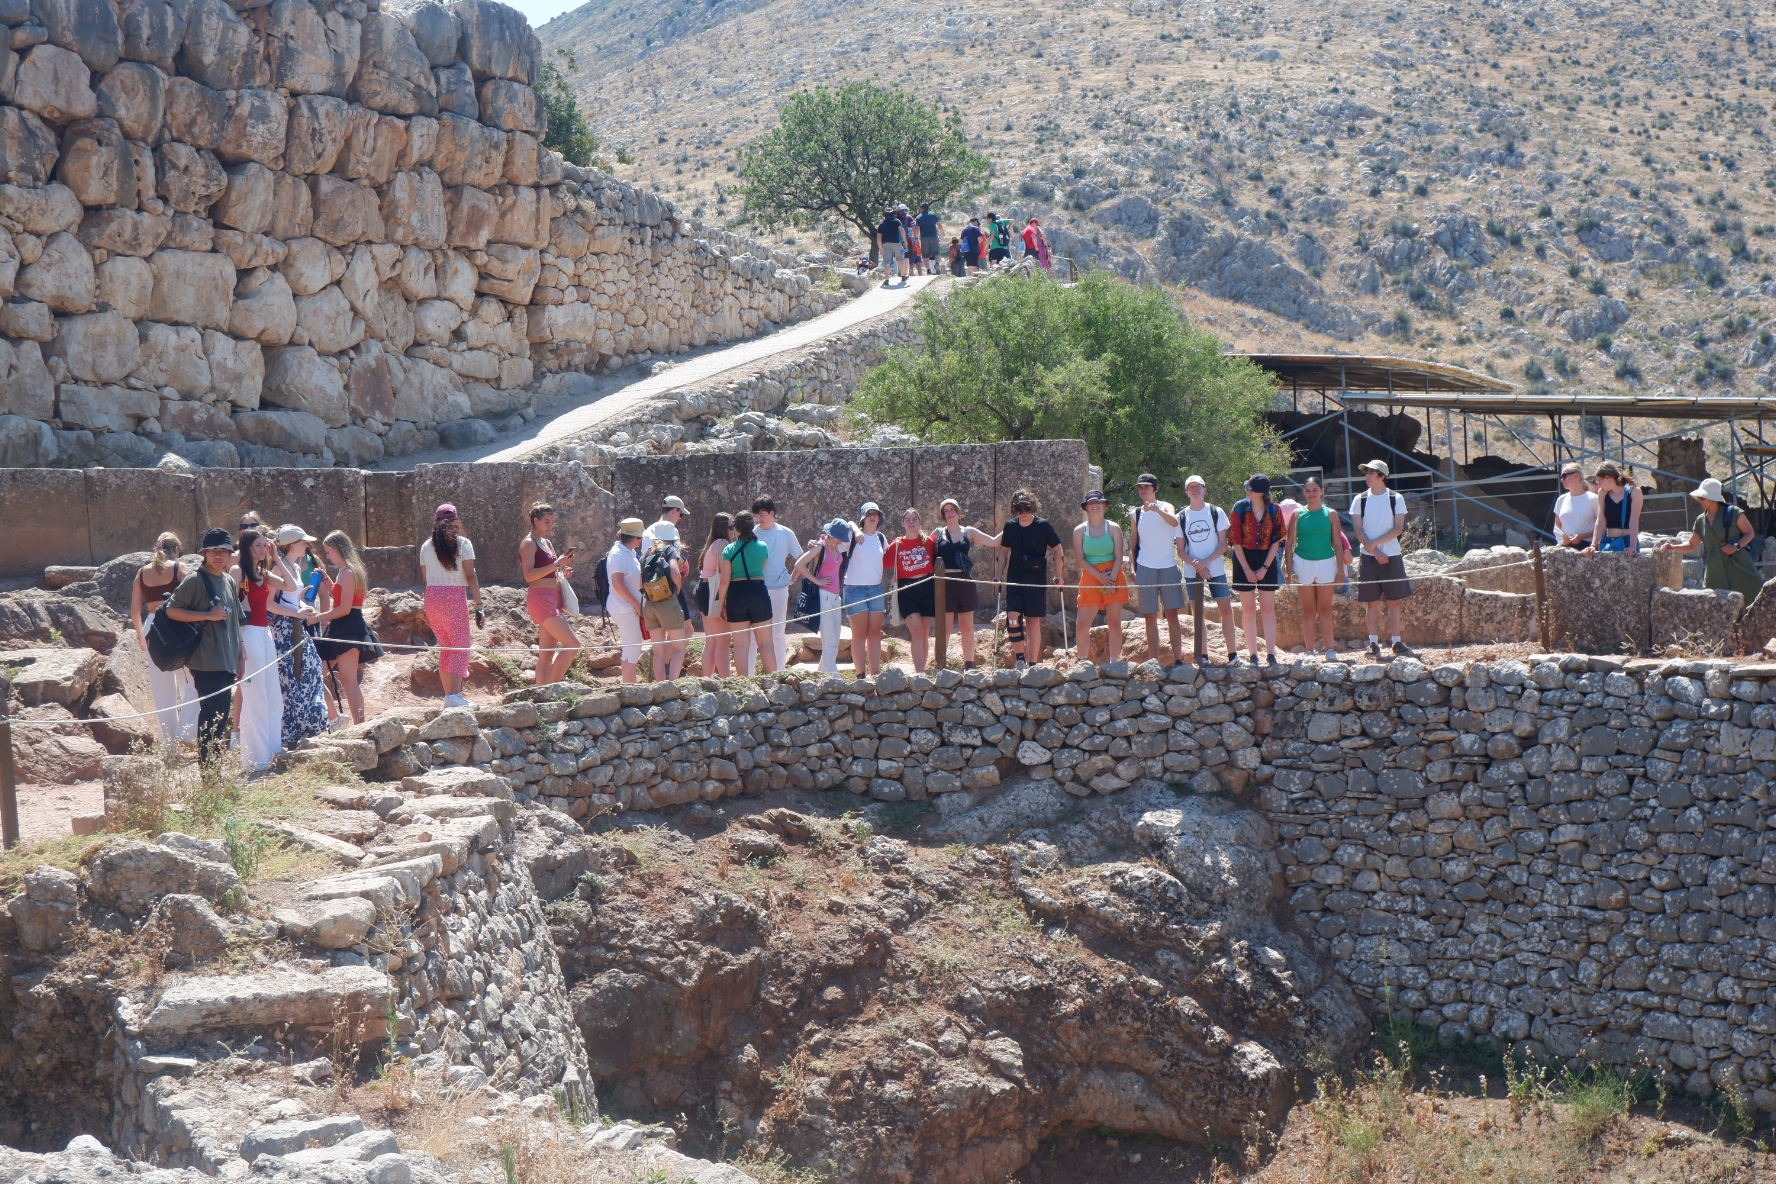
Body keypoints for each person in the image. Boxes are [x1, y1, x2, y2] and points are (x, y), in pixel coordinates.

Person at [164, 528, 244, 771]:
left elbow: (235, 623)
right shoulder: (196, 580)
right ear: (204, 554)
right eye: (213, 551)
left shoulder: (229, 580)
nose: (218, 556)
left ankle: (215, 770)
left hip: (227, 659)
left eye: (223, 551)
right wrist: (207, 615)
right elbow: (171, 610)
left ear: (230, 554)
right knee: (211, 717)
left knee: (221, 718)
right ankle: (209, 775)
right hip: (206, 661)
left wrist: (241, 654)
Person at [130, 531, 198, 743]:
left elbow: (134, 610)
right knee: (191, 680)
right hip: (178, 625)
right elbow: (195, 598)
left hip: (153, 626)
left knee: (162, 687)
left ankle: (170, 743)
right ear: (177, 550)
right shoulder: (179, 569)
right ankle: (187, 732)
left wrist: (142, 637)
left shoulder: (142, 573)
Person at [269, 524, 332, 743]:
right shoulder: (278, 568)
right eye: (303, 541)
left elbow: (288, 600)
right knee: (293, 678)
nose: (307, 544)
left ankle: (308, 727)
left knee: (310, 673)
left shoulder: (294, 567)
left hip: (296, 626)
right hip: (285, 630)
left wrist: (304, 601)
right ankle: (295, 731)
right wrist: (297, 612)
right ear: (291, 545)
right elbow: (270, 604)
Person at [232, 529, 286, 771]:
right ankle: (255, 758)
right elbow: (232, 610)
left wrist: (278, 557)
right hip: (249, 633)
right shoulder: (238, 571)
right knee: (255, 698)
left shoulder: (264, 572)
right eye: (259, 545)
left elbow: (292, 585)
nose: (264, 549)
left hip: (265, 634)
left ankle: (272, 749)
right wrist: (239, 643)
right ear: (248, 548)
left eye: (266, 545)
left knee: (272, 695)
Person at [419, 504, 482, 708]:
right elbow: (470, 575)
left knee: (446, 646)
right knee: (460, 645)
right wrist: (479, 604)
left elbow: (425, 578)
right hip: (454, 596)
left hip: (432, 597)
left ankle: (450, 697)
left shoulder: (426, 546)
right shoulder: (463, 544)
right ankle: (454, 696)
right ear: (456, 521)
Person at [1350, 460, 1414, 658]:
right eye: (1366, 472)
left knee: (1394, 601)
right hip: (1368, 557)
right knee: (1372, 602)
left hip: (1392, 555)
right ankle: (1373, 643)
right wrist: (1375, 551)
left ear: (1382, 476)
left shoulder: (1396, 498)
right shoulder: (1359, 499)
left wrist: (1375, 545)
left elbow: (1398, 528)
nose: (1367, 476)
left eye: (1372, 473)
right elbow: (1358, 529)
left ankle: (1396, 642)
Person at [1661, 477, 1762, 601]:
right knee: (1715, 606)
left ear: (1713, 499)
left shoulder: (1733, 513)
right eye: (1699, 497)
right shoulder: (1700, 521)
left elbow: (1749, 533)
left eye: (1702, 497)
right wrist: (1674, 548)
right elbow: (1692, 545)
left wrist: (1735, 546)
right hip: (1715, 570)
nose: (1699, 500)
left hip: (1739, 566)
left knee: (1752, 601)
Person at [1286, 476, 1349, 661]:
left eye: (1315, 490)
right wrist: (1289, 571)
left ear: (1322, 491)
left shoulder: (1331, 514)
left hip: (1326, 563)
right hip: (1303, 562)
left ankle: (1330, 649)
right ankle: (1310, 651)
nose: (1311, 493)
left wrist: (1340, 571)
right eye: (1308, 490)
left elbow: (1338, 544)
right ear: (1304, 492)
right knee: (1307, 610)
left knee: (1325, 609)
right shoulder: (1297, 514)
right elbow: (1289, 544)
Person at [1000, 489, 1064, 669]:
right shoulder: (1010, 526)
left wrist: (1059, 574)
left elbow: (1058, 549)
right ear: (1015, 511)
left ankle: (1033, 664)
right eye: (1020, 511)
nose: (1025, 514)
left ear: (1033, 508)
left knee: (1033, 621)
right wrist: (998, 574)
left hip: (1035, 580)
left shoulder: (1043, 526)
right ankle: (1020, 658)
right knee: (1013, 619)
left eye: (1027, 510)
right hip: (1014, 580)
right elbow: (1004, 551)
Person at [314, 529, 372, 723]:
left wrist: (319, 617)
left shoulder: (348, 572)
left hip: (348, 626)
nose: (327, 555)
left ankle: (360, 724)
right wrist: (328, 583)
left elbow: (345, 609)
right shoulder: (344, 571)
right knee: (319, 672)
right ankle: (340, 719)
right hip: (342, 626)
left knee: (349, 680)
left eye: (329, 551)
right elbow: (340, 599)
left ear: (338, 549)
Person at [1129, 473, 1187, 666]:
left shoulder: (1166, 506)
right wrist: (1132, 567)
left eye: (1146, 487)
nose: (1143, 490)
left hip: (1168, 566)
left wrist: (1157, 511)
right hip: (1145, 567)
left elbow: (1174, 521)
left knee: (1172, 615)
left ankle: (1178, 658)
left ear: (1155, 488)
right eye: (1140, 487)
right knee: (1150, 617)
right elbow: (1133, 544)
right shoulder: (1135, 513)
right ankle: (1153, 661)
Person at [520, 502, 581, 686]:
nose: (551, 526)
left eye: (553, 522)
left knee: (546, 654)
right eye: (547, 521)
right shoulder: (528, 543)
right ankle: (553, 688)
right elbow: (529, 576)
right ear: (535, 521)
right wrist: (556, 565)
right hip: (541, 599)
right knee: (573, 644)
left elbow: (551, 571)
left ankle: (541, 692)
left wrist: (562, 571)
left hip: (553, 597)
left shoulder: (546, 543)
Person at [1180, 476, 1239, 664]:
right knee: (1198, 613)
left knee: (1226, 610)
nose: (1195, 490)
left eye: (1198, 487)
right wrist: (1198, 565)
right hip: (1192, 572)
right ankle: (1203, 655)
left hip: (1216, 569)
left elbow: (1223, 544)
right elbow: (1180, 550)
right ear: (1186, 492)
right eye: (1191, 487)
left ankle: (1233, 655)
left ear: (1205, 490)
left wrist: (1204, 563)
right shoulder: (1181, 517)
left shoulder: (1216, 512)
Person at [934, 498, 995, 670]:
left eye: (952, 509)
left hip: (964, 582)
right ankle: (940, 664)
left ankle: (969, 664)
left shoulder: (969, 532)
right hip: (945, 583)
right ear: (943, 515)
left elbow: (993, 541)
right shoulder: (937, 533)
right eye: (946, 510)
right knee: (944, 628)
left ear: (959, 512)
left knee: (967, 626)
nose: (950, 513)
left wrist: (1014, 526)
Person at [1229, 476, 1284, 666]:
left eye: (1252, 489)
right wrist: (1247, 569)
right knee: (1249, 609)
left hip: (1267, 558)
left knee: (1268, 609)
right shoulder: (1240, 507)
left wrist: (1265, 567)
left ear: (1261, 491)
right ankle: (1253, 654)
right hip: (1243, 557)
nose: (1248, 491)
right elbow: (1235, 540)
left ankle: (1271, 653)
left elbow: (1277, 540)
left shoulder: (1274, 509)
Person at [718, 510, 778, 675]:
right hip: (758, 590)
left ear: (736, 528)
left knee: (740, 644)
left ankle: (744, 684)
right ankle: (775, 681)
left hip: (736, 594)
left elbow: (724, 581)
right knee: (766, 643)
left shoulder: (729, 549)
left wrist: (721, 603)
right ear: (752, 527)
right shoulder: (762, 546)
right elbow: (763, 566)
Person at [1073, 491, 1129, 664]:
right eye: (1091, 503)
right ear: (1087, 507)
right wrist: (1100, 578)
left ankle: (1114, 661)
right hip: (1091, 576)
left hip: (1113, 574)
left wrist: (1110, 579)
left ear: (1104, 505)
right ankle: (1082, 661)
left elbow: (1119, 557)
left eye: (1098, 502)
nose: (1095, 505)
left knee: (1114, 622)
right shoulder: (1079, 531)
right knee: (1082, 624)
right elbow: (1081, 559)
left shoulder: (1113, 528)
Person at [792, 519, 852, 675]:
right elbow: (799, 564)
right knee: (829, 639)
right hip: (823, 596)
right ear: (832, 535)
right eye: (839, 537)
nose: (841, 540)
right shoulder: (820, 546)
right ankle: (834, 676)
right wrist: (816, 580)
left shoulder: (835, 547)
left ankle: (822, 673)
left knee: (834, 639)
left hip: (834, 596)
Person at [884, 508, 937, 673]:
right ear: (903, 523)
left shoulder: (928, 542)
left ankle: (923, 670)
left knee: (925, 631)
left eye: (915, 519)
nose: (912, 522)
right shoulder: (897, 545)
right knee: (917, 630)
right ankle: (919, 672)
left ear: (920, 522)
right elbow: (882, 562)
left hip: (928, 586)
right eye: (908, 519)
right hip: (907, 589)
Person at [842, 503, 891, 678]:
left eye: (875, 514)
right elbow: (845, 523)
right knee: (859, 634)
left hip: (876, 589)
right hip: (854, 590)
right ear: (862, 518)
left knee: (875, 633)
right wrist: (855, 530)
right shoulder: (851, 536)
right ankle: (860, 675)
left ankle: (876, 674)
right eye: (868, 514)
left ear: (879, 518)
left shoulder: (881, 538)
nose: (872, 517)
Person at [752, 497, 800, 670]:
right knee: (751, 634)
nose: (759, 518)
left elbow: (800, 557)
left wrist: (793, 577)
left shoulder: (785, 533)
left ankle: (779, 673)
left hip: (779, 589)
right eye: (757, 515)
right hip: (755, 590)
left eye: (763, 514)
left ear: (773, 514)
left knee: (778, 633)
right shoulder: (751, 532)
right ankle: (748, 676)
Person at [641, 521, 692, 680]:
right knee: (678, 648)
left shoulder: (647, 553)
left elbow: (640, 580)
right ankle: (672, 686)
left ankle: (659, 686)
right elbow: (675, 572)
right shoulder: (670, 551)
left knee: (658, 651)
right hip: (667, 603)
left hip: (650, 604)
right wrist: (676, 591)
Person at [604, 518, 648, 684]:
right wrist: (636, 604)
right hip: (625, 609)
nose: (642, 540)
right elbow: (617, 583)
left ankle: (629, 687)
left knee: (633, 648)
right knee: (632, 649)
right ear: (635, 538)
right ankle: (629, 688)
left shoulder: (627, 551)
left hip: (629, 608)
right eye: (640, 537)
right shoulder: (618, 554)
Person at [697, 513, 737, 677]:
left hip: (704, 590)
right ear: (723, 529)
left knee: (712, 640)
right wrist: (722, 603)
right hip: (713, 592)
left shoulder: (712, 544)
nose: (734, 530)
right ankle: (726, 681)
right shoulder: (722, 544)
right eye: (731, 526)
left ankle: (707, 679)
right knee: (723, 640)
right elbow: (724, 574)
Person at [1587, 462, 1642, 554]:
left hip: (1627, 542)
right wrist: (1593, 545)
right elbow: (1600, 521)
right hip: (1608, 543)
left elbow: (1634, 521)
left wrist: (1632, 546)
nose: (1598, 485)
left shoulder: (1634, 492)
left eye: (1599, 481)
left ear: (1608, 478)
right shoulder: (1602, 493)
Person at [1552, 462, 1598, 549]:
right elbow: (1557, 524)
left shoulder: (1594, 499)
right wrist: (1563, 538)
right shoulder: (1561, 499)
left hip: (1588, 548)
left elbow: (1602, 526)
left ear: (1576, 476)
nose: (1562, 480)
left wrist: (1582, 537)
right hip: (1565, 547)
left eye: (1564, 476)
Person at [876, 206, 906, 286]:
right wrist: (905, 241)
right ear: (893, 214)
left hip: (886, 245)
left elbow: (878, 237)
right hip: (897, 243)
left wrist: (880, 248)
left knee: (887, 262)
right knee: (900, 259)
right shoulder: (897, 221)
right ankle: (903, 276)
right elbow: (902, 231)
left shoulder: (881, 224)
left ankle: (887, 280)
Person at [915, 203, 943, 276]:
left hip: (924, 238)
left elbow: (917, 228)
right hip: (934, 236)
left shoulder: (919, 217)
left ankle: (928, 270)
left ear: (921, 208)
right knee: (937, 252)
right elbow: (939, 225)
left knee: (925, 255)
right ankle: (937, 263)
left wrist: (916, 238)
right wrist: (943, 233)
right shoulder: (933, 215)